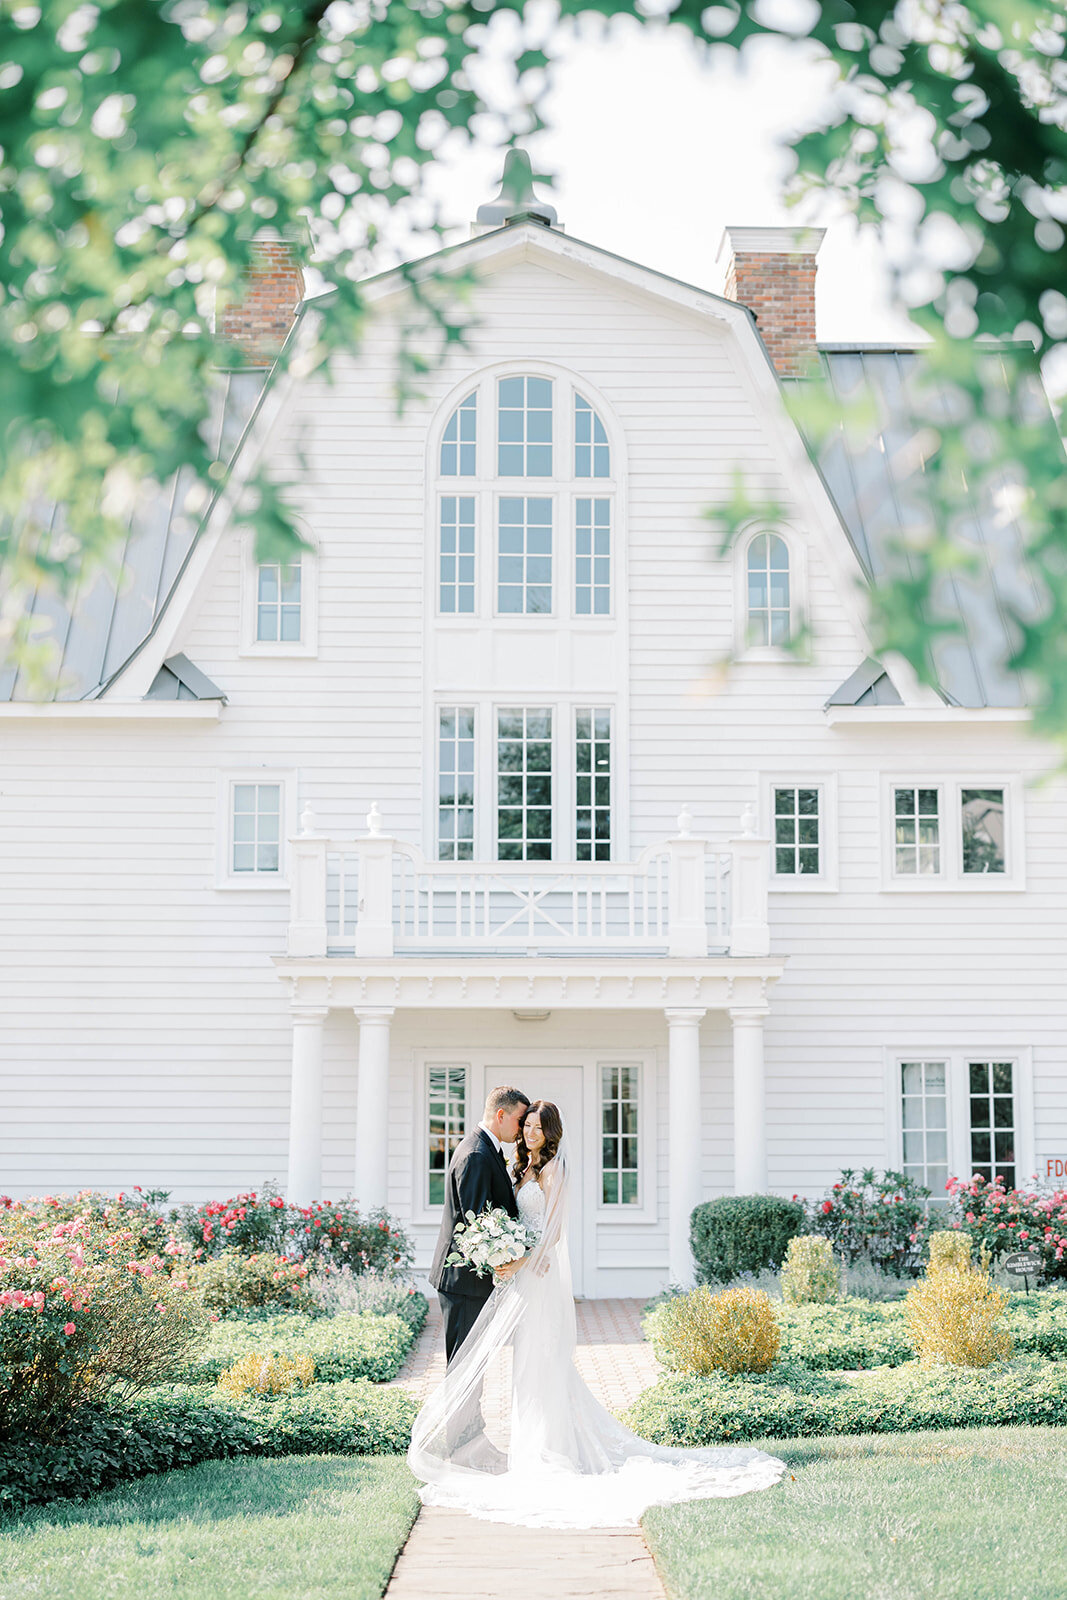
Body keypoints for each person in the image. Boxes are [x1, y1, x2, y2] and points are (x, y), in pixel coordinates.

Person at [409, 1099, 787, 1530]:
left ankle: (549, 1449)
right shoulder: (516, 1167)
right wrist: (509, 1256)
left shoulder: (553, 1170)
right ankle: (523, 1445)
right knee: (524, 1365)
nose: (528, 1132)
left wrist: (521, 1258)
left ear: (550, 1132)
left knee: (541, 1361)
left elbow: (551, 1232)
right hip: (517, 1279)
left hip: (535, 1277)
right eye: (525, 1124)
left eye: (535, 1127)